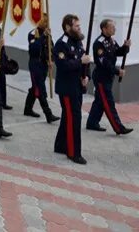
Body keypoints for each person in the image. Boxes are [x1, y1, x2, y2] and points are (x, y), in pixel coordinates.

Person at [53, 14, 91, 165]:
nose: (79, 28)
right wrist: (80, 61)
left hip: (77, 86)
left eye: (79, 26)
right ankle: (73, 152)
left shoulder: (79, 41)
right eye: (76, 26)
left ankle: (60, 145)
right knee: (74, 118)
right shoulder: (61, 44)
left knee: (68, 116)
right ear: (68, 27)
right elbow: (63, 65)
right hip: (67, 88)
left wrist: (86, 76)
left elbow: (85, 62)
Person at [86, 19, 133, 135]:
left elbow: (119, 52)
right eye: (112, 27)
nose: (114, 29)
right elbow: (104, 62)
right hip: (101, 77)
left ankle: (92, 123)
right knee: (108, 102)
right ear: (104, 29)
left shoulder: (111, 40)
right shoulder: (99, 43)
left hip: (108, 77)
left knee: (100, 101)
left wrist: (126, 47)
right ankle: (118, 127)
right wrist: (117, 72)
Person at [24, 15, 60, 123]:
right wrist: (43, 36)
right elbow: (34, 49)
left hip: (44, 65)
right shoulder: (33, 33)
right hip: (35, 65)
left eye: (47, 21)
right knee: (40, 90)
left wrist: (51, 59)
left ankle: (27, 109)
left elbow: (51, 47)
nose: (46, 23)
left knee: (35, 88)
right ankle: (48, 114)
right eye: (44, 21)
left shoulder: (47, 33)